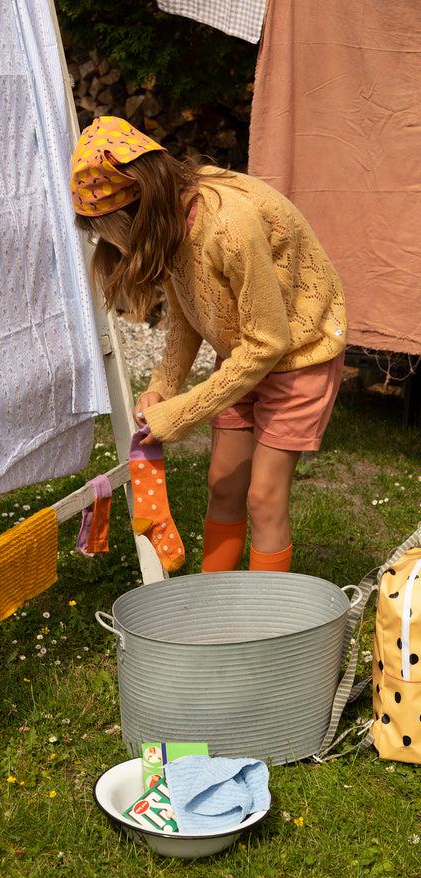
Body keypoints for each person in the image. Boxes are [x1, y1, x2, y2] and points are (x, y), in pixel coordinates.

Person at [70, 116, 346, 573]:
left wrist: (180, 412)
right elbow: (188, 313)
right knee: (222, 483)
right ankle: (214, 605)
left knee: (264, 497)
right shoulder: (172, 221)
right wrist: (164, 385)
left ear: (138, 210)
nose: (107, 244)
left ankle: (263, 628)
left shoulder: (228, 229)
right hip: (246, 354)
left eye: (108, 231)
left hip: (298, 354)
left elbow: (270, 342)